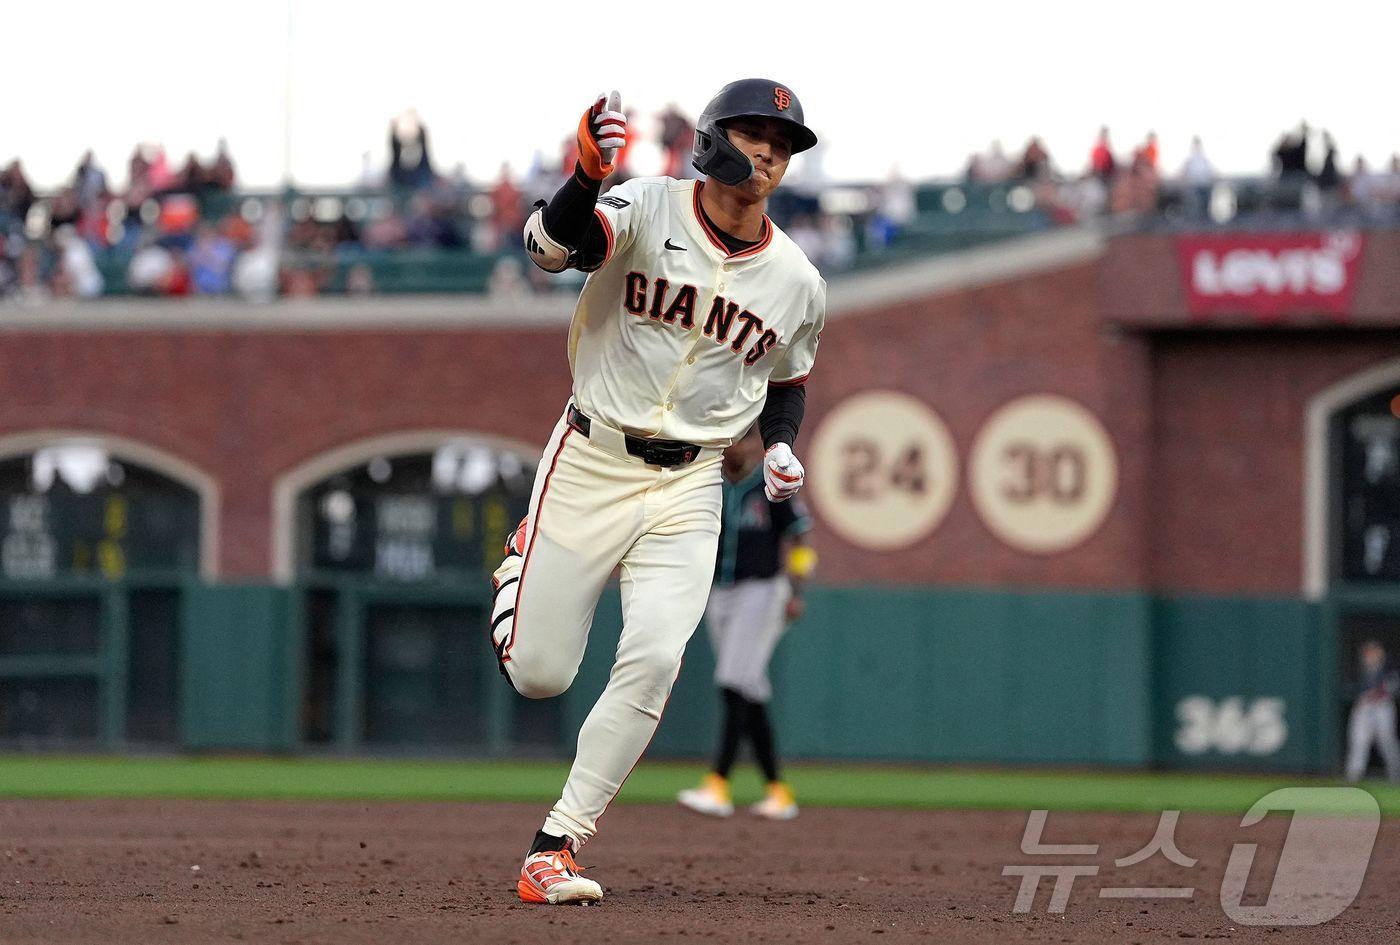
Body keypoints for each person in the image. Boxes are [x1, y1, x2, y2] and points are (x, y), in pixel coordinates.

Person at [492, 78, 824, 905]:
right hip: (593, 456)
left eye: (783, 144)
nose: (769, 153)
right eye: (753, 135)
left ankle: (556, 845)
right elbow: (554, 249)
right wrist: (585, 174)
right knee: (539, 674)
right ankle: (524, 560)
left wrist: (781, 443)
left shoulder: (796, 279)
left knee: (654, 658)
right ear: (711, 140)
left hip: (693, 482)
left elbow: (788, 379)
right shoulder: (647, 205)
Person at [676, 425, 814, 821]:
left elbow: (800, 537)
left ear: (757, 445)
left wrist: (797, 589)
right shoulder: (708, 485)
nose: (737, 446)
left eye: (746, 438)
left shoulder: (768, 487)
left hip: (763, 590)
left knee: (733, 680)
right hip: (719, 592)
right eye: (733, 438)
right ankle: (779, 792)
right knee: (747, 688)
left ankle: (718, 784)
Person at [1346, 640, 1400, 783]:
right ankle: (1354, 775)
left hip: (1382, 707)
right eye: (1368, 654)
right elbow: (1352, 688)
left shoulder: (1389, 669)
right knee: (1359, 741)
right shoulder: (1359, 670)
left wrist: (1374, 694)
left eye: (1374, 653)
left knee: (1387, 741)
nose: (1370, 656)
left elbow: (1391, 687)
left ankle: (1396, 774)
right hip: (1364, 707)